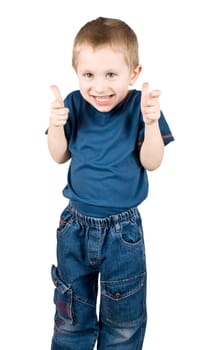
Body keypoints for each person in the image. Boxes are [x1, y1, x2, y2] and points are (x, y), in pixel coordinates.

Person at [47, 16, 174, 350]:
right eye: (88, 75)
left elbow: (152, 162)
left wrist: (150, 124)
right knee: (72, 315)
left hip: (123, 233)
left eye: (111, 75)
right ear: (76, 71)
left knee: (123, 323)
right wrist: (56, 125)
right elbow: (59, 156)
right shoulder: (74, 104)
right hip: (74, 226)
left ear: (134, 74)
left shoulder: (140, 108)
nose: (99, 87)